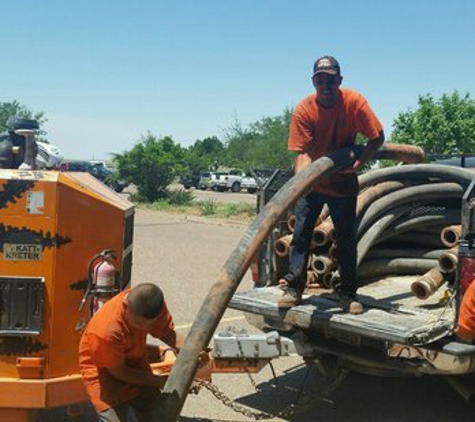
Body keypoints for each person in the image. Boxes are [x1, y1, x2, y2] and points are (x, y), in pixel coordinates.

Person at [278, 56, 384, 314]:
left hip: (344, 182)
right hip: (312, 184)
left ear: (340, 80)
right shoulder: (304, 109)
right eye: (320, 80)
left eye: (331, 80)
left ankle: (347, 293)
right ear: (314, 81)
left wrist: (359, 162)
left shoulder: (354, 102)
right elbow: (302, 153)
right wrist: (303, 183)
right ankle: (294, 287)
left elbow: (377, 137)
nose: (325, 85)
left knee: (346, 239)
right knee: (301, 236)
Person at [79, 283, 184, 422]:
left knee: (155, 410)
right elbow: (119, 372)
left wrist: (192, 351)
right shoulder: (106, 330)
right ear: (126, 306)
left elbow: (167, 333)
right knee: (114, 419)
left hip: (134, 358)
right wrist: (160, 381)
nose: (146, 328)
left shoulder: (151, 306)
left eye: (150, 324)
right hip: (105, 371)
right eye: (140, 323)